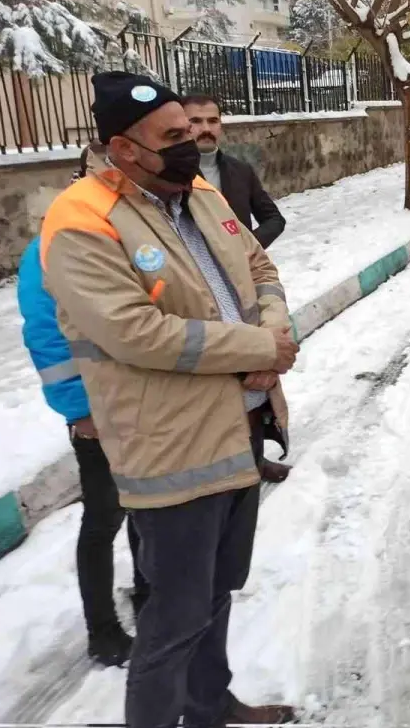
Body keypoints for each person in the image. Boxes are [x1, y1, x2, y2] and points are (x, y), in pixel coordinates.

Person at [41, 71, 300, 728]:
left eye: (190, 130)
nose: (192, 144)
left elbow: (260, 269)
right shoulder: (80, 221)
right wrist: (258, 351)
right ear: (124, 149)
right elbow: (137, 333)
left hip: (239, 430)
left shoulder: (200, 189)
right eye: (173, 137)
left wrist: (273, 332)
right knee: (173, 619)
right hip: (171, 449)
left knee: (217, 595)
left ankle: (209, 706)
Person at [16, 151, 149, 667]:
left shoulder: (131, 233)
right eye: (100, 174)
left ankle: (148, 591)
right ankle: (103, 631)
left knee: (147, 503)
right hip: (97, 409)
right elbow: (46, 336)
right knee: (104, 517)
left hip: (143, 402)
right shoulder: (52, 245)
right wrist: (78, 409)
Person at [183, 94, 286, 249]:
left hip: (241, 269)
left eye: (213, 121)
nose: (206, 129)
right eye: (196, 121)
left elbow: (274, 219)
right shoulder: (168, 173)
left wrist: (249, 247)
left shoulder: (241, 171)